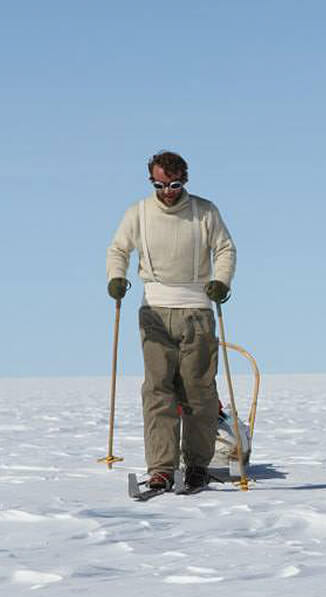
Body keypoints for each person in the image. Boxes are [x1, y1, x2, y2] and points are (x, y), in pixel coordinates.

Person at [106, 151, 236, 490]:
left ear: (185, 181)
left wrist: (221, 281)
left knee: (199, 391)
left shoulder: (205, 212)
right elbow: (118, 249)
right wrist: (115, 277)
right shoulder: (139, 213)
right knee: (158, 389)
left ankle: (196, 464)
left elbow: (225, 249)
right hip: (154, 310)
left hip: (197, 309)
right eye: (160, 184)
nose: (168, 191)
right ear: (152, 181)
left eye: (175, 184)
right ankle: (162, 467)